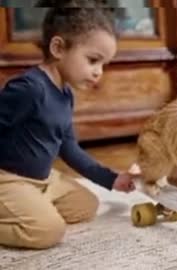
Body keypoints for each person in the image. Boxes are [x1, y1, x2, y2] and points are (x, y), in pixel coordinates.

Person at [0, 0, 137, 249]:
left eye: (104, 64)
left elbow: (69, 148)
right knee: (47, 231)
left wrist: (112, 179)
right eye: (93, 60)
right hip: (8, 179)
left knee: (87, 205)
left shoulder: (65, 95)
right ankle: (27, 211)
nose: (99, 72)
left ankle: (30, 205)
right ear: (58, 47)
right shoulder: (29, 89)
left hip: (43, 181)